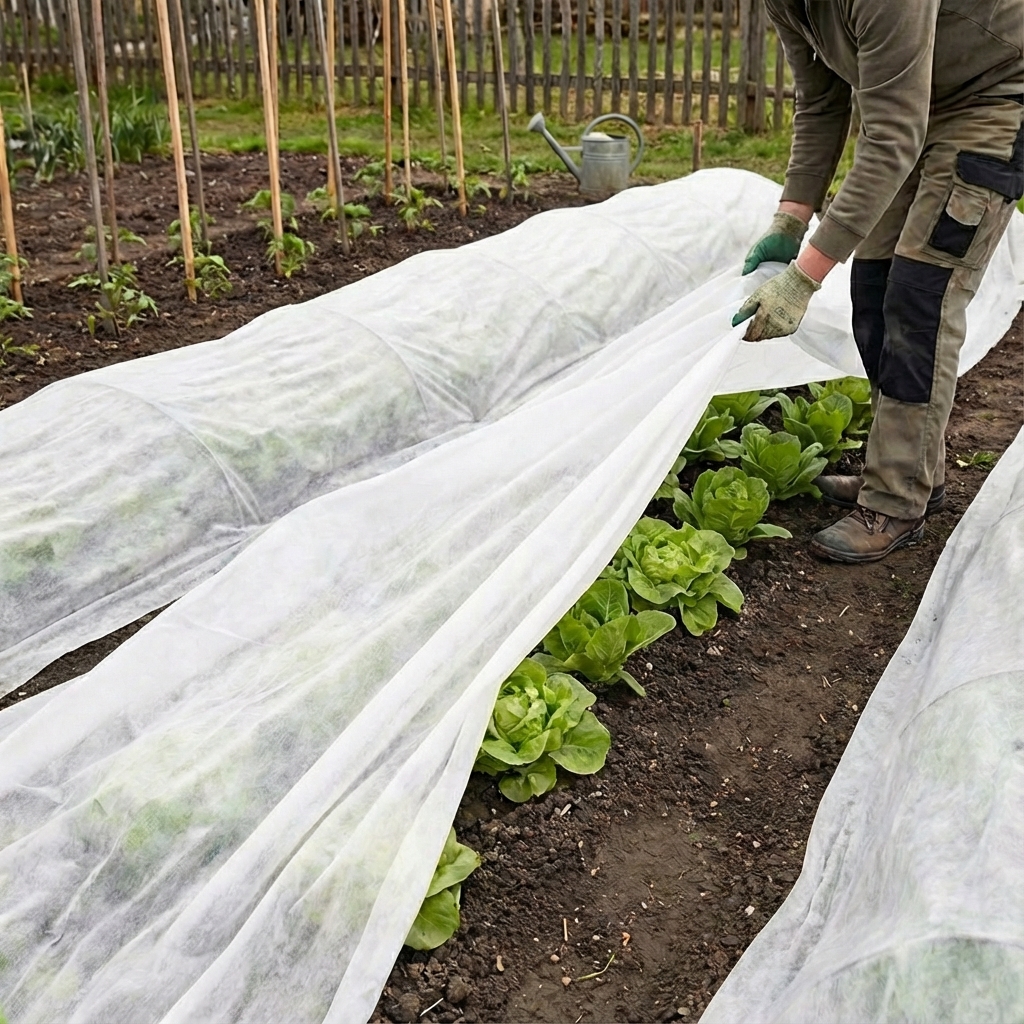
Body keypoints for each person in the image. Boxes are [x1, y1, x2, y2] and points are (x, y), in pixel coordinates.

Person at [732, 0, 1023, 563]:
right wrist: (791, 218)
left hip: (991, 103)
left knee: (921, 299)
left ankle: (895, 500)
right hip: (912, 106)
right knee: (872, 288)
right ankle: (912, 470)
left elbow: (891, 136)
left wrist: (803, 279)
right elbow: (821, 103)